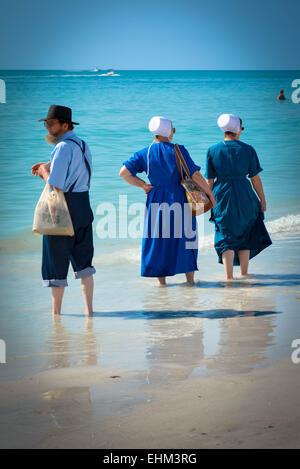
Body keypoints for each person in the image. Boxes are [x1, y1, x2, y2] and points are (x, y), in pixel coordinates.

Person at [120, 116, 215, 286]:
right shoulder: (178, 150)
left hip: (156, 198)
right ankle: (190, 281)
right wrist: (210, 193)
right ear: (168, 132)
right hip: (179, 197)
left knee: (158, 238)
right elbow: (195, 175)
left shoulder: (145, 153)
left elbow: (124, 173)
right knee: (186, 237)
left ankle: (161, 283)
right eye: (173, 129)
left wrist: (142, 185)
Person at [31, 105, 96, 315]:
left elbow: (56, 185)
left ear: (64, 125)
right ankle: (89, 312)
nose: (47, 128)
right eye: (46, 124)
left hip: (63, 208)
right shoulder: (83, 145)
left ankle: (56, 316)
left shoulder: (62, 147)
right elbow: (76, 170)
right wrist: (49, 164)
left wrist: (43, 171)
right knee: (84, 263)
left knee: (55, 263)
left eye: (51, 124)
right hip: (83, 206)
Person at [206, 113, 272, 281]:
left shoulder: (212, 150)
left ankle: (229, 277)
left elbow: (209, 180)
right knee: (246, 232)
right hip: (245, 193)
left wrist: (206, 201)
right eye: (241, 128)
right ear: (237, 129)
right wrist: (262, 199)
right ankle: (244, 274)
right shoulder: (248, 149)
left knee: (225, 234)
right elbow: (255, 177)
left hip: (221, 195)